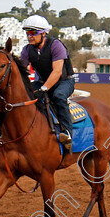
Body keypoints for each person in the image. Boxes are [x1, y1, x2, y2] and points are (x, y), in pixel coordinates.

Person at [19, 15, 75, 147]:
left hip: (64, 82)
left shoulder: (56, 46)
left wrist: (44, 89)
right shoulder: (27, 50)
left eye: (33, 33)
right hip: (44, 81)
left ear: (43, 33)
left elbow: (57, 72)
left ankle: (67, 133)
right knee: (26, 93)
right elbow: (21, 70)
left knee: (58, 96)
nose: (29, 36)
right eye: (28, 33)